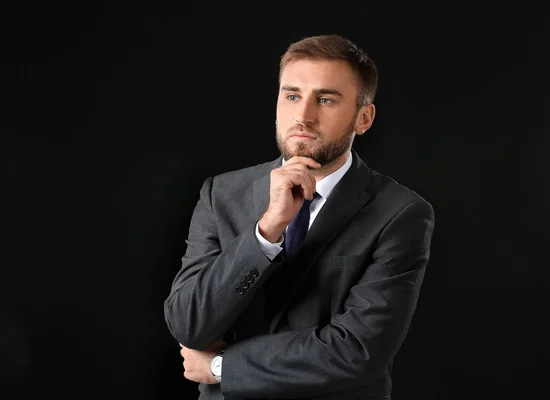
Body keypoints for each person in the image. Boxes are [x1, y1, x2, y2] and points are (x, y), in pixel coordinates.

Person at [164, 34, 435, 400]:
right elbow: (188, 323)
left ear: (364, 118)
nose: (303, 116)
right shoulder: (221, 195)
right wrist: (266, 231)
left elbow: (357, 350)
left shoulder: (401, 213)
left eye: (325, 100)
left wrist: (219, 367)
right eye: (292, 96)